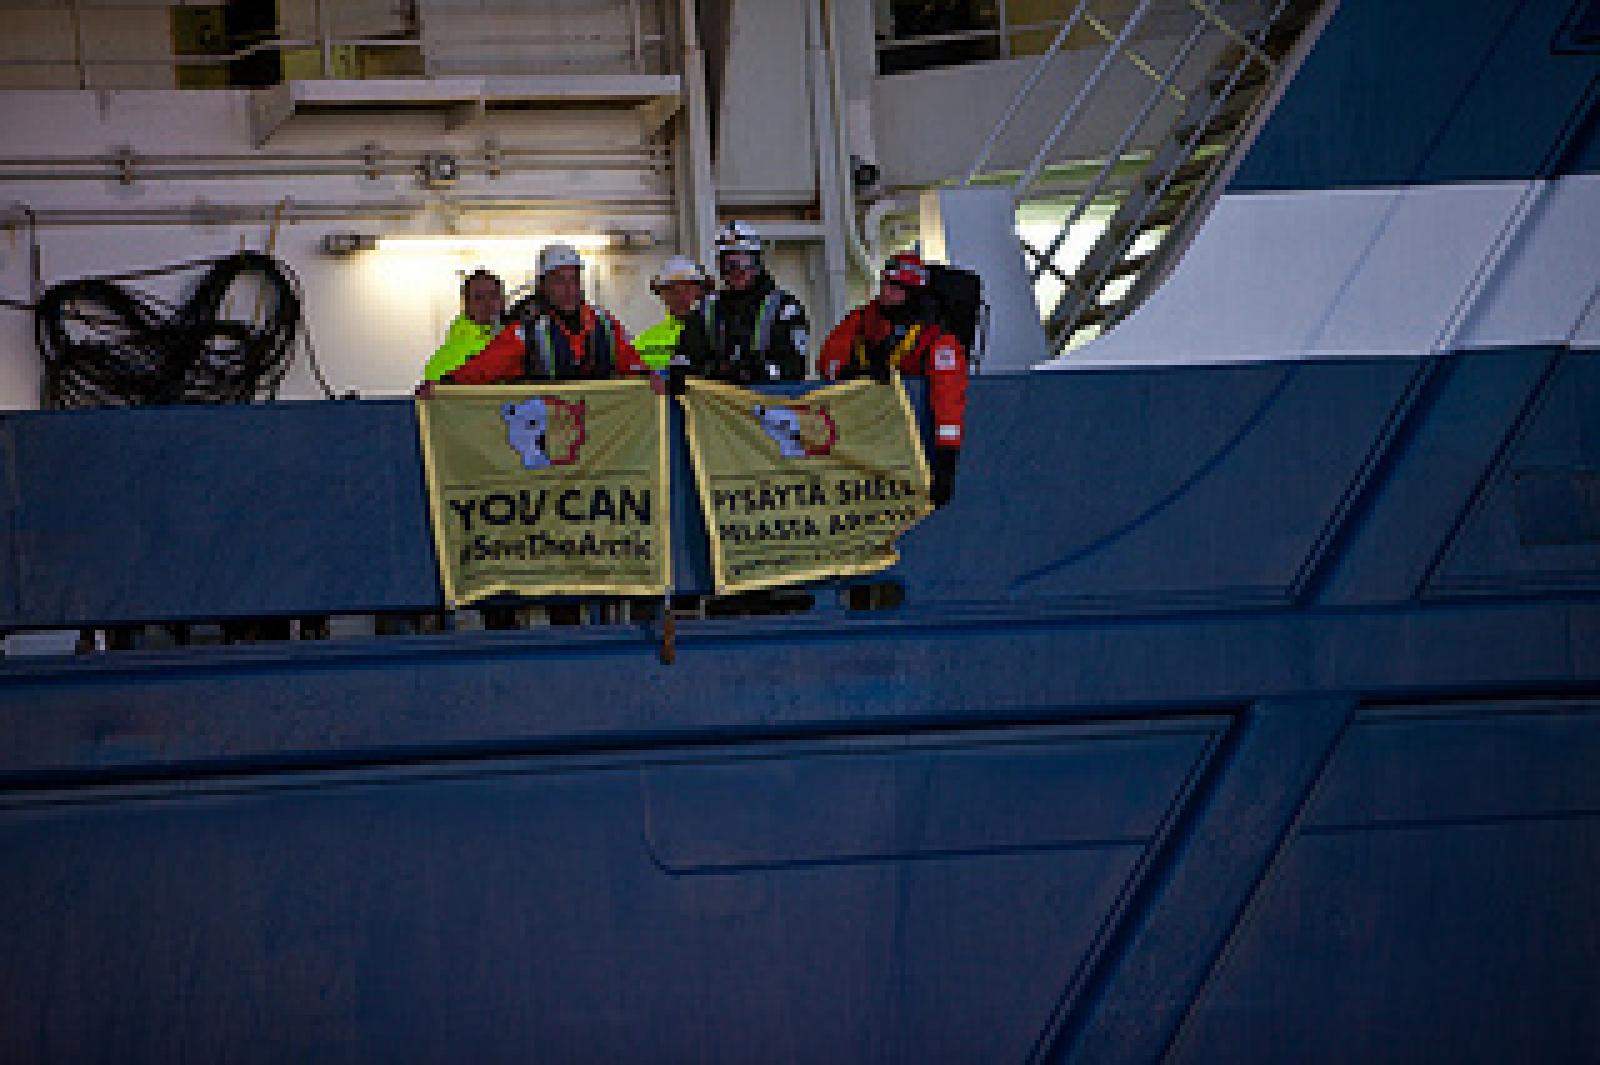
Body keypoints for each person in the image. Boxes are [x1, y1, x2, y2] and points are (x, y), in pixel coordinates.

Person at [818, 251, 968, 506]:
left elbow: (948, 407)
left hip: (908, 446)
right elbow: (827, 362)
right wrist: (853, 374)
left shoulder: (938, 341)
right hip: (859, 439)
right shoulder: (861, 321)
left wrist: (945, 464)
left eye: (895, 286)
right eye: (885, 283)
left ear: (913, 292)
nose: (886, 291)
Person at [439, 243, 649, 384]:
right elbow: (486, 366)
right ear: (543, 285)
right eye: (558, 280)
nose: (568, 289)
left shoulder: (606, 325)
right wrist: (444, 385)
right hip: (548, 436)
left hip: (601, 432)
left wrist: (651, 378)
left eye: (573, 279)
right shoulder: (526, 330)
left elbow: (634, 365)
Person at [679, 220, 809, 384]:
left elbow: (794, 368)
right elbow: (687, 358)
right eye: (729, 264)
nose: (736, 271)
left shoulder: (785, 309)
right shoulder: (706, 309)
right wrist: (715, 370)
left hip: (771, 404)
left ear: (756, 262)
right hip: (716, 405)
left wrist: (751, 371)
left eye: (743, 263)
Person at [422, 268, 505, 382]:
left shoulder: (521, 339)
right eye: (479, 297)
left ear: (503, 300)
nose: (488, 302)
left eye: (493, 295)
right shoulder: (444, 358)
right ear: (466, 304)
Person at [634, 255, 712, 371]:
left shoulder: (715, 333)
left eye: (687, 289)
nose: (681, 297)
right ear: (661, 295)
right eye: (672, 290)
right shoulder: (644, 341)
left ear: (699, 291)